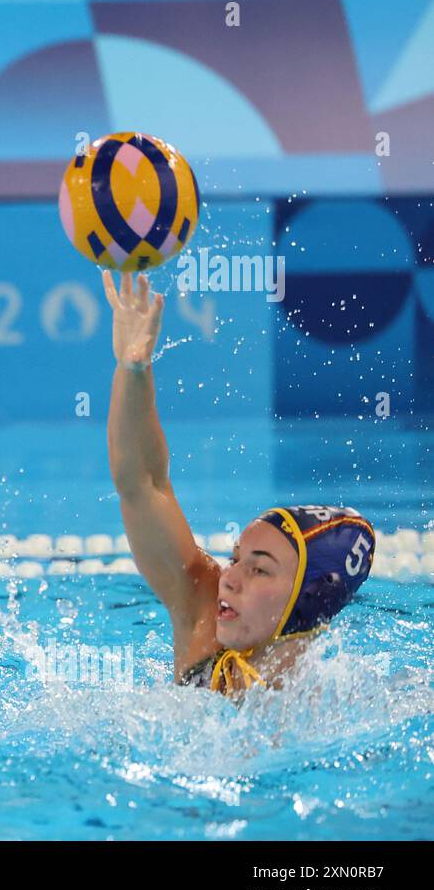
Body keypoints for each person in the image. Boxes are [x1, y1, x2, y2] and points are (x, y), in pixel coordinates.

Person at [103, 270, 375, 695]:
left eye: (260, 569)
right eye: (236, 558)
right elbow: (141, 483)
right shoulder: (202, 609)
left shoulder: (342, 705)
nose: (229, 579)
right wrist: (132, 369)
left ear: (308, 602)